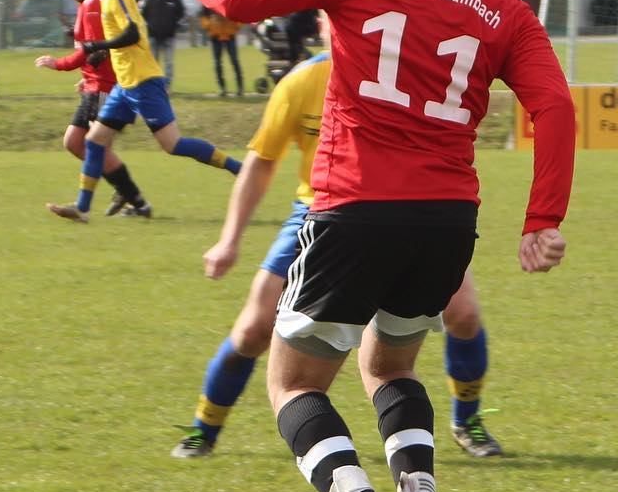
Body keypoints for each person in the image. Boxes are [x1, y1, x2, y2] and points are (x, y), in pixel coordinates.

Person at [151, 0, 575, 492]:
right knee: (389, 367)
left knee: (294, 384)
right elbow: (554, 105)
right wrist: (543, 218)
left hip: (351, 207)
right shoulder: (501, 8)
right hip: (446, 222)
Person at [172, 27, 503, 463]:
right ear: (325, 22)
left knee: (463, 313)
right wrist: (229, 240)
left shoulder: (405, 74)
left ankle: (468, 421)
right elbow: (261, 162)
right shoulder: (302, 82)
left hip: (402, 208)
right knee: (254, 328)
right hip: (317, 210)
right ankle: (204, 428)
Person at [46, 0, 241, 222]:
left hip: (144, 81)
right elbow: (118, 40)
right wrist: (100, 56)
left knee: (173, 145)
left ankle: (238, 168)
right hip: (124, 86)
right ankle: (82, 207)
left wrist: (99, 45)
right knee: (94, 140)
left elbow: (133, 33)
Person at [36, 0, 151, 219]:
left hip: (103, 88)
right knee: (79, 143)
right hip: (95, 85)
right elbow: (97, 51)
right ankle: (129, 196)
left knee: (87, 144)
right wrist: (87, 74)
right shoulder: (86, 6)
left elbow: (97, 49)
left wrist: (59, 64)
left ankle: (126, 199)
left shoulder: (92, 6)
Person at [140, 0, 185, 89]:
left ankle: (167, 86)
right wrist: (148, 27)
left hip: (169, 36)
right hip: (153, 36)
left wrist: (174, 26)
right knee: (153, 63)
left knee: (169, 63)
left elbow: (181, 15)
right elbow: (142, 15)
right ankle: (154, 86)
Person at [201, 8, 244, 97]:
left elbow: (240, 16)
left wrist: (236, 27)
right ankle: (222, 88)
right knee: (218, 63)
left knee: (234, 61)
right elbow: (203, 17)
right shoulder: (209, 4)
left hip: (229, 35)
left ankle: (240, 87)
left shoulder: (230, 2)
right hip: (216, 36)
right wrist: (210, 25)